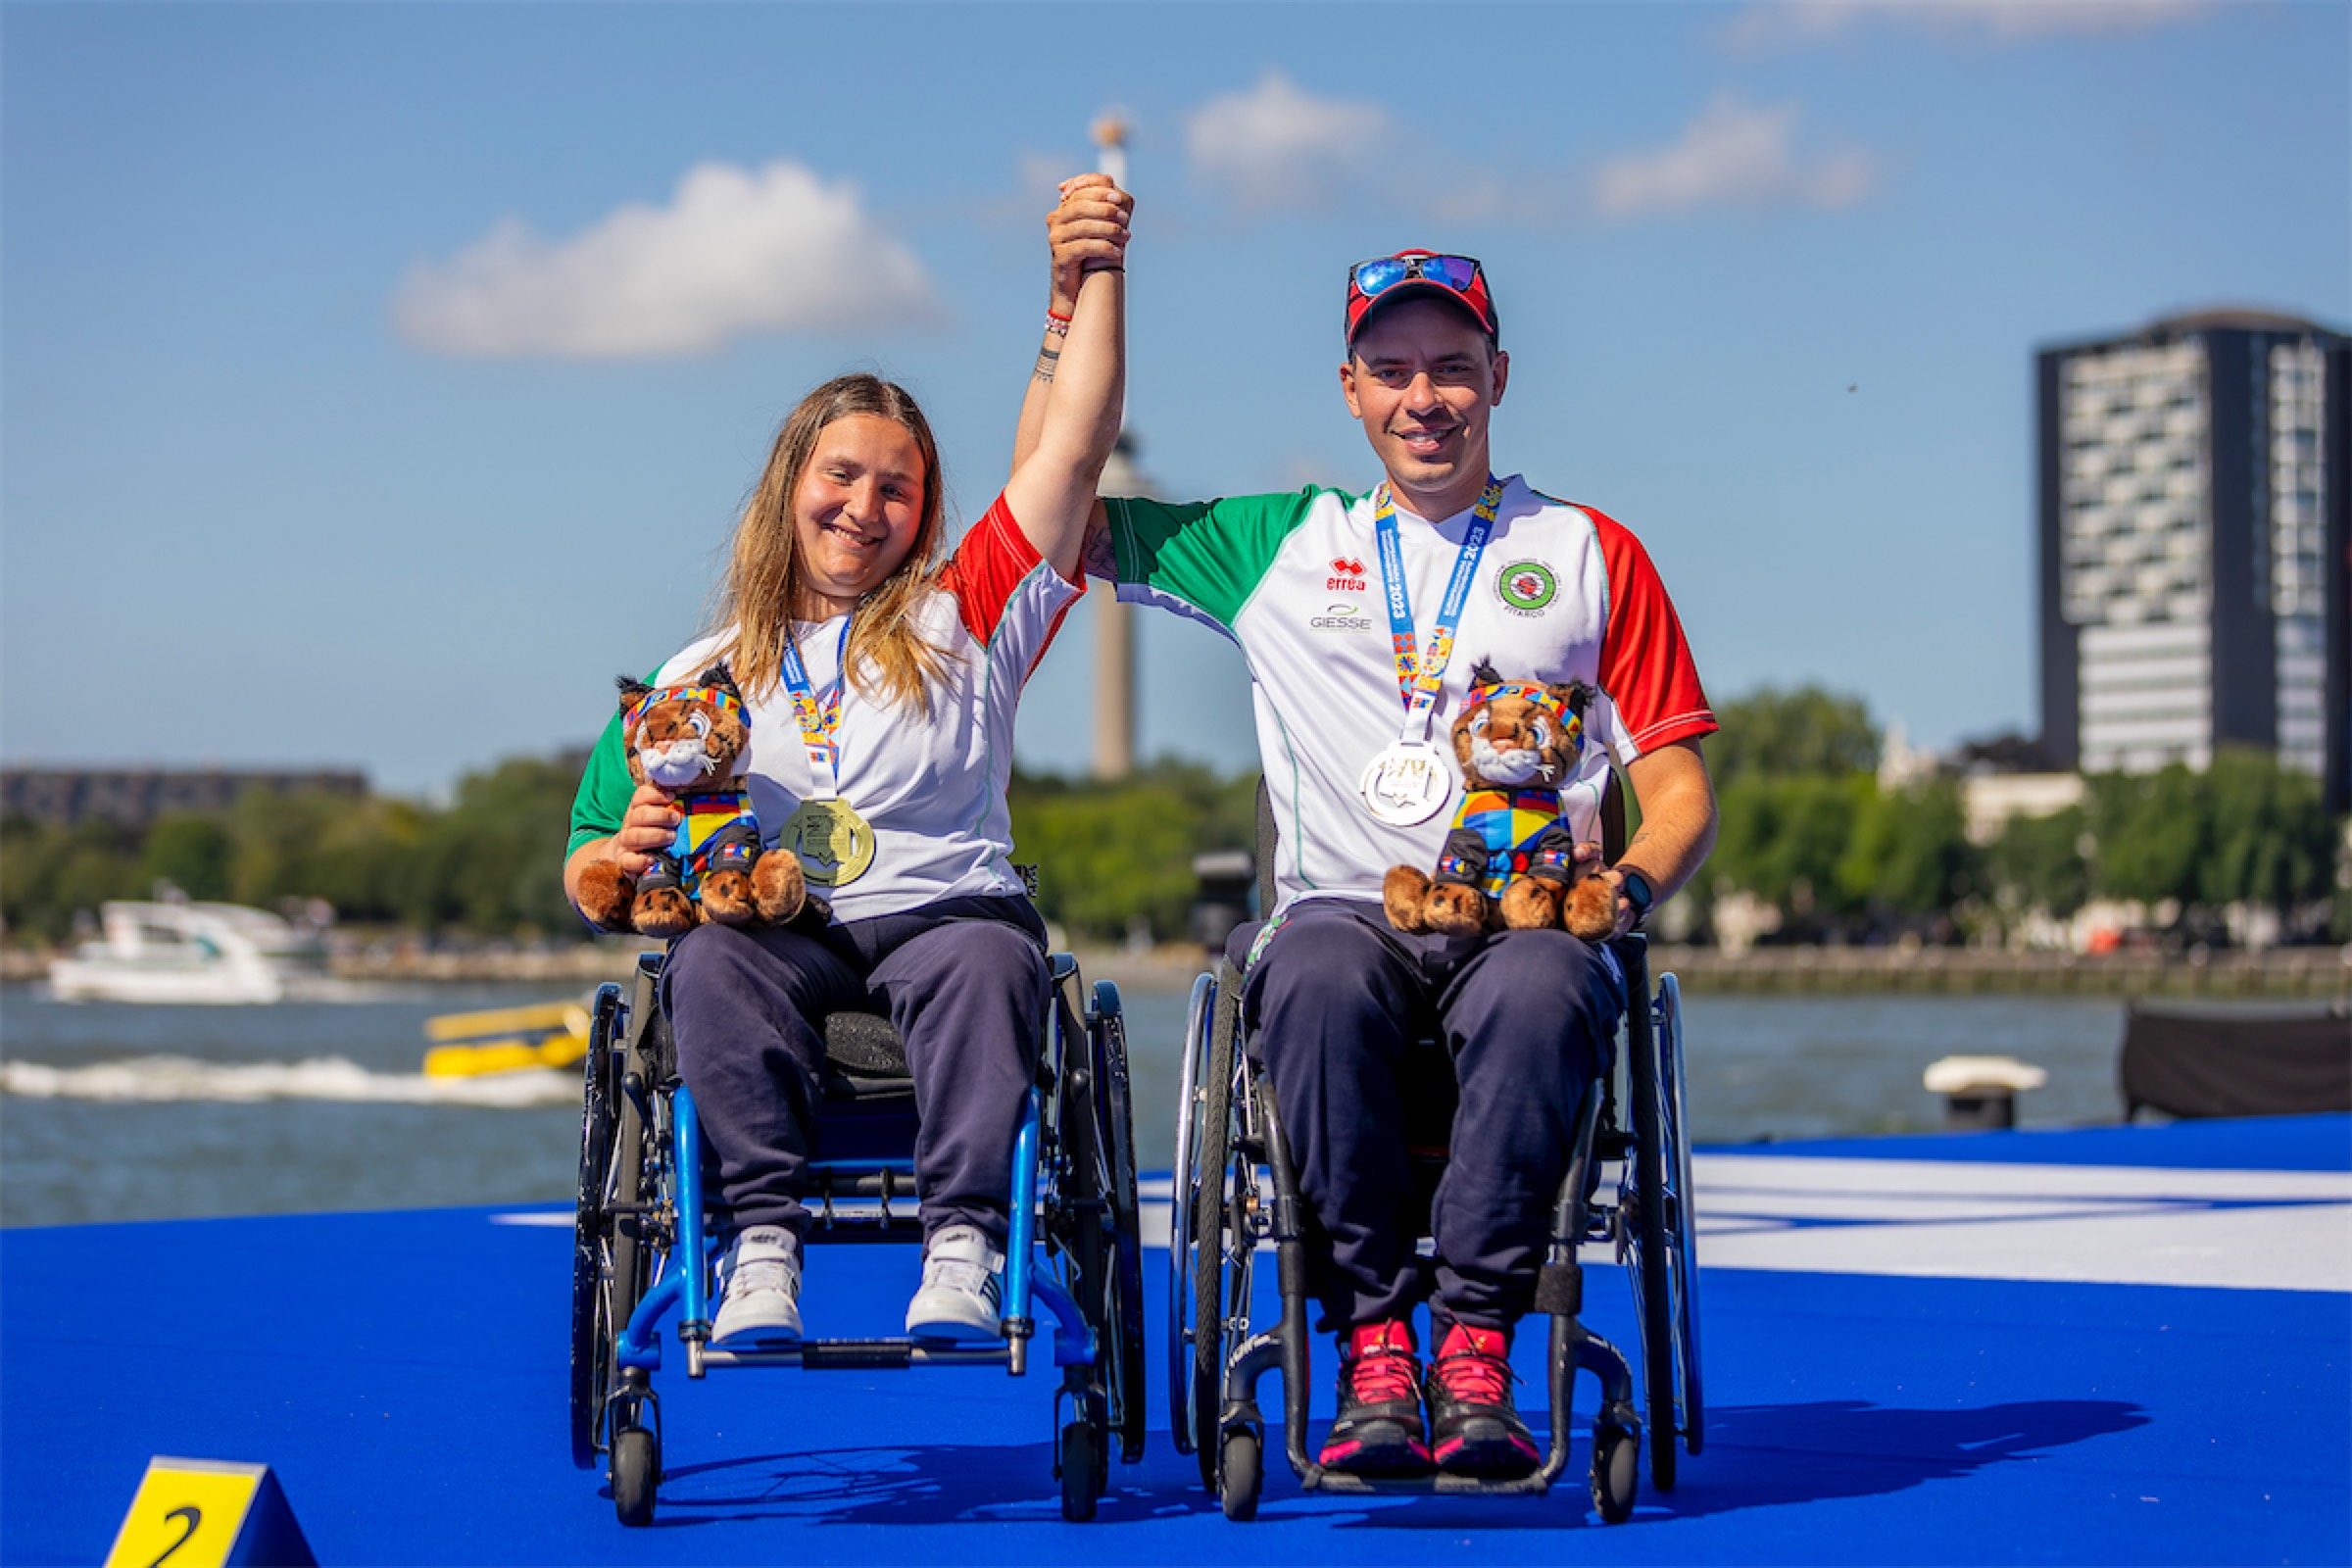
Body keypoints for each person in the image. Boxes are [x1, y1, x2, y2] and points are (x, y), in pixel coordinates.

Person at [1016, 232, 1718, 1478]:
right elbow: (1047, 508)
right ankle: (1376, 1337)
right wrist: (1071, 317)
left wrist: (1630, 885)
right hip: (1346, 916)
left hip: (1525, 919)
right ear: (1351, 389)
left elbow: (1677, 786)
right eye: (1391, 370)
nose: (1424, 398)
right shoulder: (1277, 540)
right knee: (1320, 970)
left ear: (1499, 375)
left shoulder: (1591, 552)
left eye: (1450, 366)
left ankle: (1477, 1346)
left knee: (1551, 979)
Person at [564, 176, 1132, 1348]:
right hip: (780, 933)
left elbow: (1072, 449)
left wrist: (1084, 284)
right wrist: (620, 853)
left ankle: (965, 1247)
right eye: (842, 476)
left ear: (926, 515)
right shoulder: (702, 664)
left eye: (898, 487)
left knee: (988, 959)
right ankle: (761, 1248)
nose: (863, 507)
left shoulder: (966, 615)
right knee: (709, 967)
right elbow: (594, 847)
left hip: (944, 912)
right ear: (791, 485)